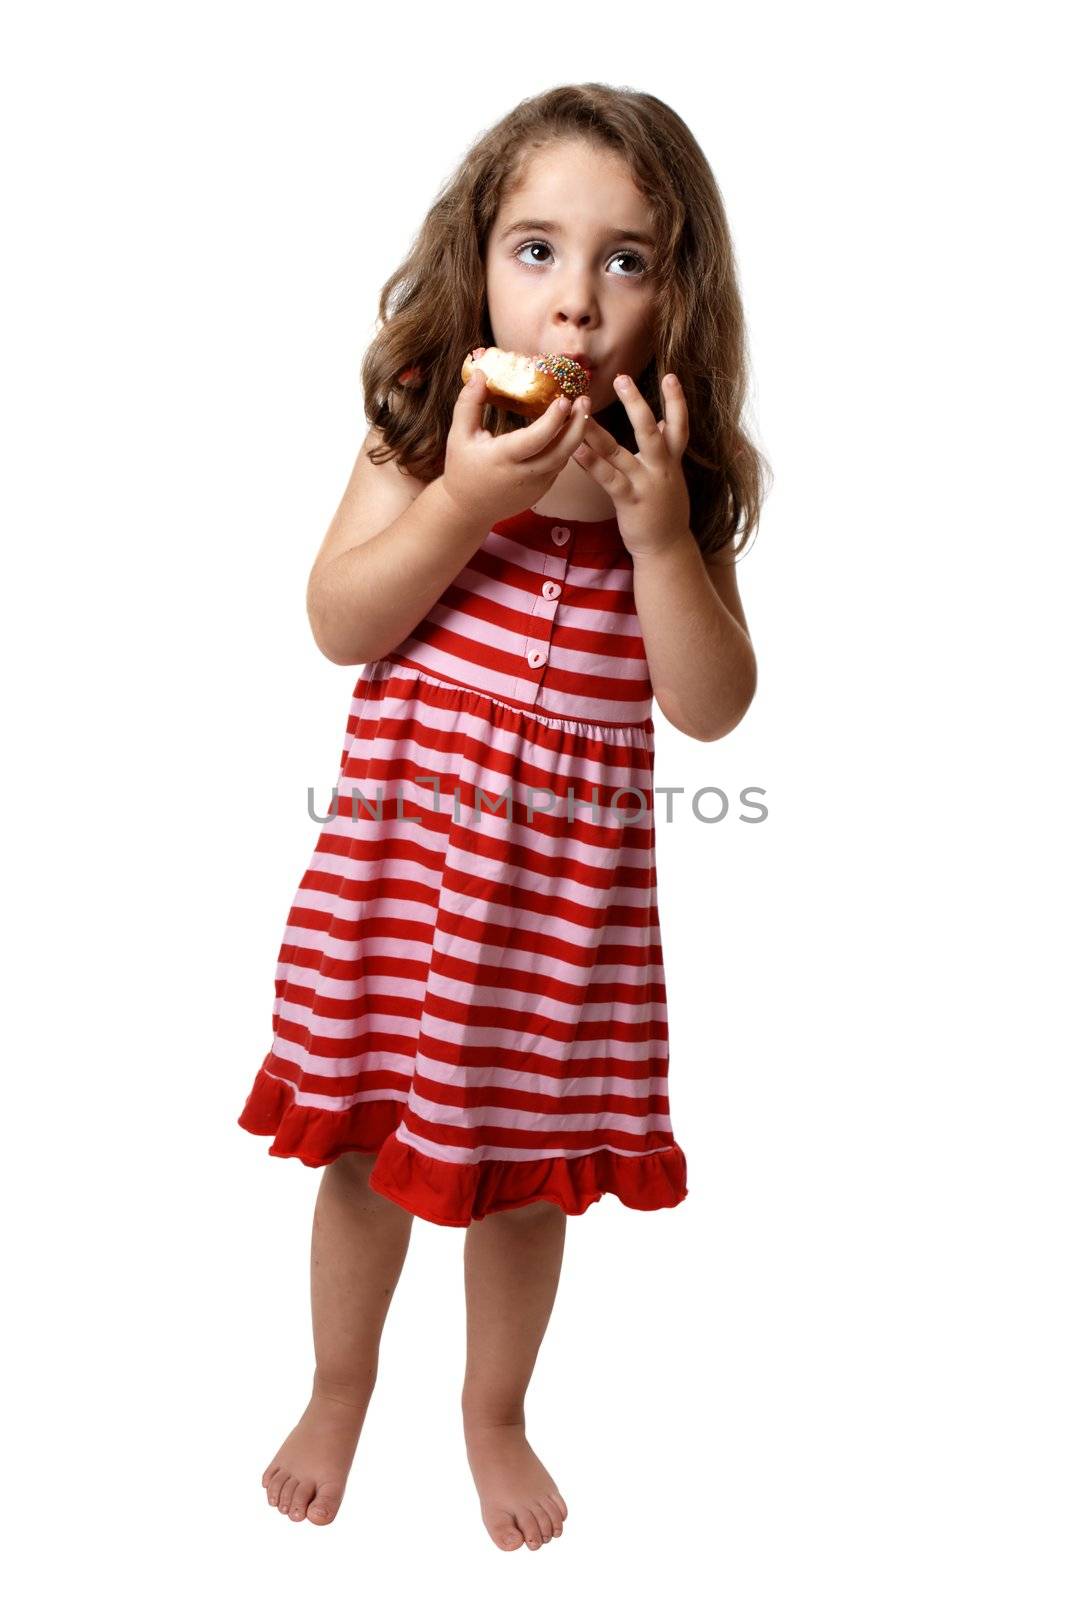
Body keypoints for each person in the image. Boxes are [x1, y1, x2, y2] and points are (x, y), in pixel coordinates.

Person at [237, 81, 766, 1548]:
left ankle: (494, 1410)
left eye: (626, 261)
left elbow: (712, 706)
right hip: (404, 884)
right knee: (359, 1150)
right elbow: (340, 622)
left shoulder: (678, 476)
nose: (576, 307)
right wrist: (461, 504)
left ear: (681, 295)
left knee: (527, 1183)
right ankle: (340, 1387)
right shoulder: (427, 431)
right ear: (478, 261)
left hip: (557, 923)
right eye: (537, 251)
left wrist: (659, 537)